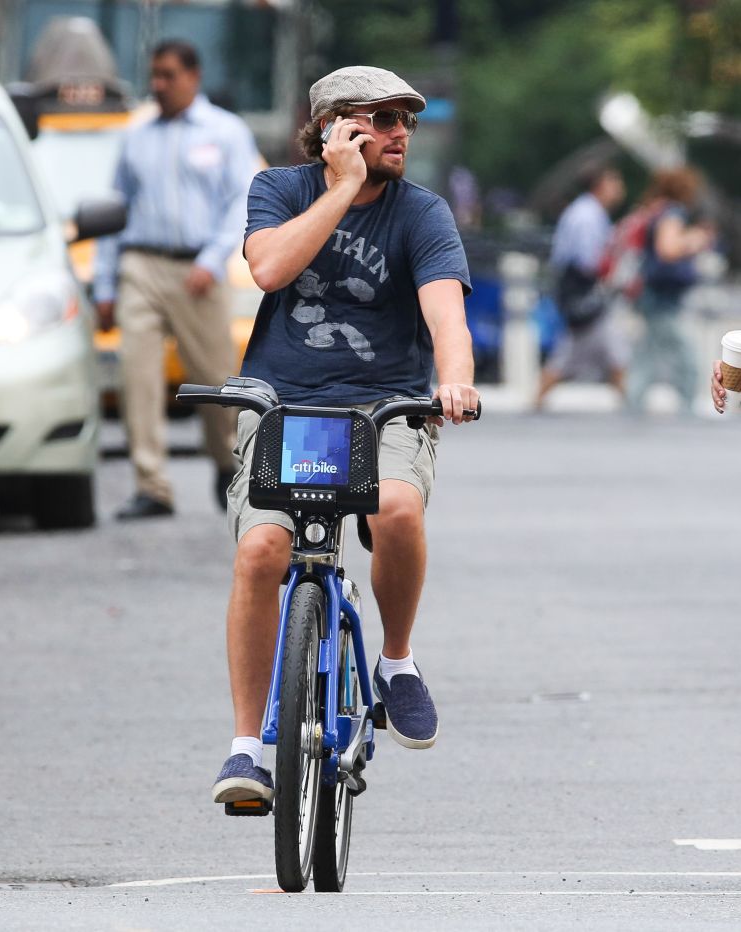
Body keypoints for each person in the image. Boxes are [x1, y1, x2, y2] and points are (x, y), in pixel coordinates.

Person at [211, 66, 479, 805]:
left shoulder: (421, 214)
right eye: (384, 118)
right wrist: (337, 187)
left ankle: (395, 661)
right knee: (263, 548)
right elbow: (267, 268)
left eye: (407, 122)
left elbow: (446, 320)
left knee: (394, 509)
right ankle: (245, 752)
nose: (401, 134)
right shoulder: (281, 191)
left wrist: (453, 380)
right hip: (282, 406)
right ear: (334, 127)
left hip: (383, 406)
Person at [94, 40, 259, 519]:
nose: (158, 85)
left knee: (214, 381)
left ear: (193, 76)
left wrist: (212, 259)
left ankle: (224, 461)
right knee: (136, 376)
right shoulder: (137, 134)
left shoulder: (225, 132)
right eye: (154, 75)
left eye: (168, 75)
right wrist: (105, 283)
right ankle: (153, 484)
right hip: (140, 265)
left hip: (198, 270)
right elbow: (114, 210)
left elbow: (241, 201)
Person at [536, 164, 628, 408]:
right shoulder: (588, 215)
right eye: (614, 182)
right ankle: (630, 403)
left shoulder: (587, 211)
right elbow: (589, 262)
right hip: (584, 296)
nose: (619, 189)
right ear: (600, 185)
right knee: (583, 352)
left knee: (610, 352)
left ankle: (629, 401)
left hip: (582, 297)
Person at [626, 167, 715, 414]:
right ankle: (688, 408)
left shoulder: (654, 210)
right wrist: (695, 240)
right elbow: (668, 249)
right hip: (662, 297)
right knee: (686, 357)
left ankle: (632, 406)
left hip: (651, 294)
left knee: (647, 355)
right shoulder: (672, 212)